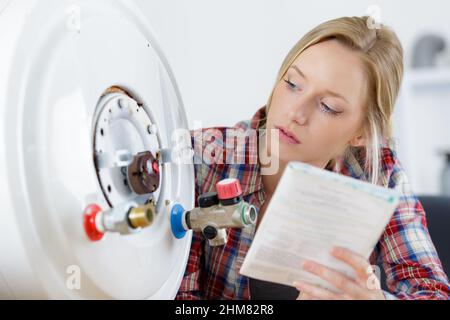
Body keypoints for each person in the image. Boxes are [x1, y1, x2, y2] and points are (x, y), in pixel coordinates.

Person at [175, 16, 450, 300]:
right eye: (293, 84)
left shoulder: (378, 173)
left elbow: (432, 292)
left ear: (362, 134)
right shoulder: (201, 159)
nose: (296, 112)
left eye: (328, 107)